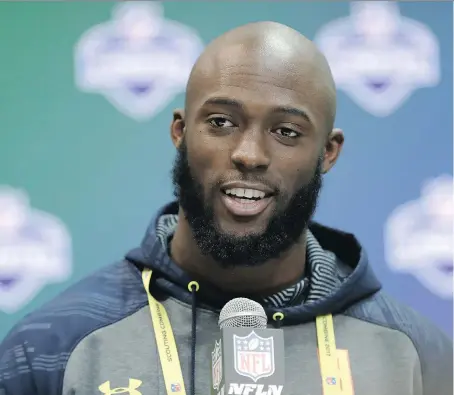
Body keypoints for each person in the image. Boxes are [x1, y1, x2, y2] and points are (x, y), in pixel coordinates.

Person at [0, 21, 452, 395]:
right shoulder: (52, 348)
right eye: (221, 122)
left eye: (287, 131)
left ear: (328, 153)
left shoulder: (418, 356)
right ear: (180, 131)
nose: (250, 154)